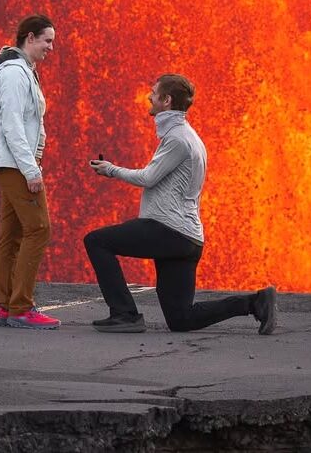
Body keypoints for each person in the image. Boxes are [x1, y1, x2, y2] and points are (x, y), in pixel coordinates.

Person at [85, 73, 277, 335]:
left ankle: (125, 314)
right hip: (187, 240)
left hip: (168, 231)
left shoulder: (177, 139)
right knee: (181, 320)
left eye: (154, 93)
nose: (149, 97)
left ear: (166, 100)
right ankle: (254, 303)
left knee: (96, 241)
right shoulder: (189, 137)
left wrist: (110, 170)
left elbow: (148, 177)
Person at [0, 14, 60, 330]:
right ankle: (20, 308)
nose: (50, 48)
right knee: (39, 228)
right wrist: (31, 170)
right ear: (30, 37)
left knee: (12, 234)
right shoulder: (15, 74)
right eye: (47, 40)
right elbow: (13, 124)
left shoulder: (18, 72)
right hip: (16, 163)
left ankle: (7, 306)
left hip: (10, 162)